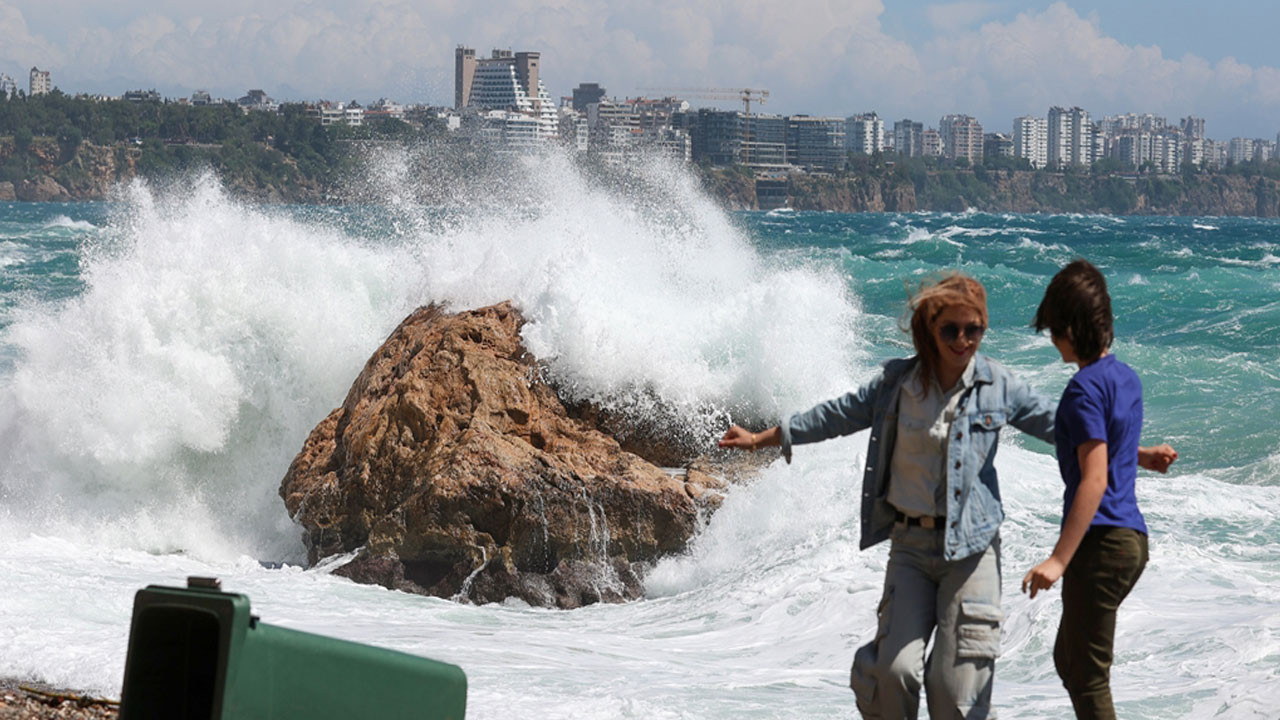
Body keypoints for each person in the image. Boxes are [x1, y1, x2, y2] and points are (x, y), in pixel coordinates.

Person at [719, 272, 1177, 720]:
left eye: (973, 329)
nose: (963, 340)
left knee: (954, 694)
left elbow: (1070, 429)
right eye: (951, 330)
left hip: (973, 553)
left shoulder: (999, 386)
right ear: (929, 330)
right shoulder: (898, 384)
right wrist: (765, 437)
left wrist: (1134, 454)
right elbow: (839, 413)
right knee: (894, 675)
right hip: (911, 549)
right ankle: (873, 667)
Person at [1021, 259, 1172, 719]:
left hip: (1101, 545)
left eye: (1053, 330)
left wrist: (1058, 559)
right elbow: (1110, 443)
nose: (1052, 341)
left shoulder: (1082, 390)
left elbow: (1095, 477)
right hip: (1131, 543)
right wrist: (1142, 456)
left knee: (1087, 676)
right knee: (1069, 659)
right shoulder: (1125, 378)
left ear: (1069, 329)